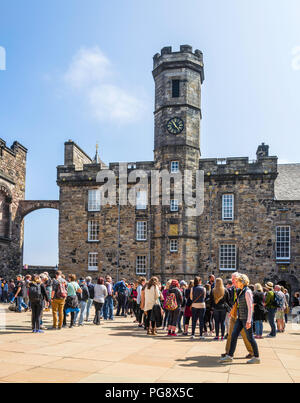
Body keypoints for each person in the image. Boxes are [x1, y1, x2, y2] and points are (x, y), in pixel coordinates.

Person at [219, 274, 260, 364]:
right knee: (233, 335)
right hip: (240, 318)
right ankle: (230, 356)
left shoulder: (247, 292)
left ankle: (256, 357)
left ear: (242, 282)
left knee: (250, 338)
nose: (236, 283)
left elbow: (250, 307)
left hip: (245, 319)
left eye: (237, 281)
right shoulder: (240, 291)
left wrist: (249, 321)